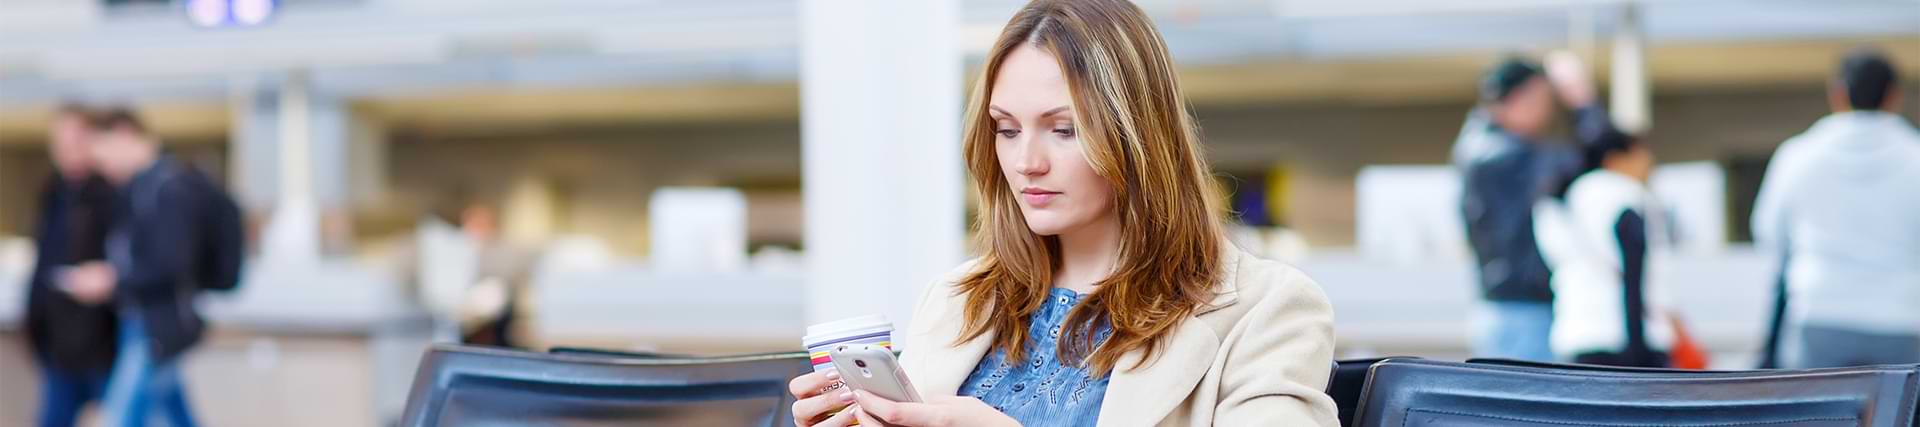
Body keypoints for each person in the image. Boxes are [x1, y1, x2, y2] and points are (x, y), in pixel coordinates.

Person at [787, 0, 1339, 425]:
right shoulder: (957, 301)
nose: (1026, 162)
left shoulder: (1268, 311)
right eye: (1006, 130)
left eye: (1064, 129)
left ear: (1137, 136)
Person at [1752, 48, 1920, 368]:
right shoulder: (1916, 156)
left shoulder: (1797, 154)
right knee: (1899, 414)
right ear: (1894, 96)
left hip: (1820, 310)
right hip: (1902, 315)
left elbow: (1768, 234)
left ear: (1837, 93)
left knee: (1820, 413)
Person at [1452, 52, 1611, 361]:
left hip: (1509, 309)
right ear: (1521, 98)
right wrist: (1582, 101)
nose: (1549, 110)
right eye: (1544, 98)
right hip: (1523, 314)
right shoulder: (1504, 155)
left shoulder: (1480, 145)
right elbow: (1595, 158)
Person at [68, 108, 207, 427]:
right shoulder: (137, 191)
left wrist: (112, 280)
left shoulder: (167, 188)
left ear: (124, 135)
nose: (103, 167)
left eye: (103, 154)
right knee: (173, 415)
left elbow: (171, 263)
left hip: (155, 327)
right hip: (140, 323)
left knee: (120, 418)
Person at [1533, 120, 1676, 368]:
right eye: (1640, 154)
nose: (1648, 162)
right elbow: (1635, 276)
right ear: (1614, 159)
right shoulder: (1625, 195)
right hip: (1628, 341)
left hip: (1578, 334)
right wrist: (1639, 351)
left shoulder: (1560, 200)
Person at [24, 105, 121, 427]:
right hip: (59, 342)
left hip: (104, 341)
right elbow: (43, 263)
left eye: (76, 140)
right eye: (60, 143)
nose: (67, 151)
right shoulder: (53, 193)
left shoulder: (113, 192)